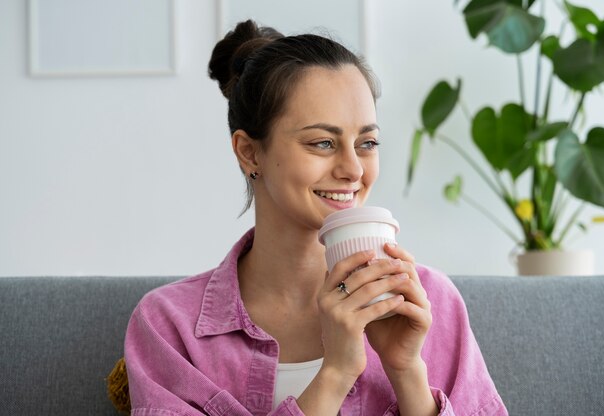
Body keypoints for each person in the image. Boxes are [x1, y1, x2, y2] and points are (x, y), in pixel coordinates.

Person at [124, 20, 508, 416]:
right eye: (323, 143)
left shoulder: (429, 302)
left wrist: (406, 370)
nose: (354, 169)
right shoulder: (170, 327)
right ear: (249, 153)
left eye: (367, 143)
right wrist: (336, 372)